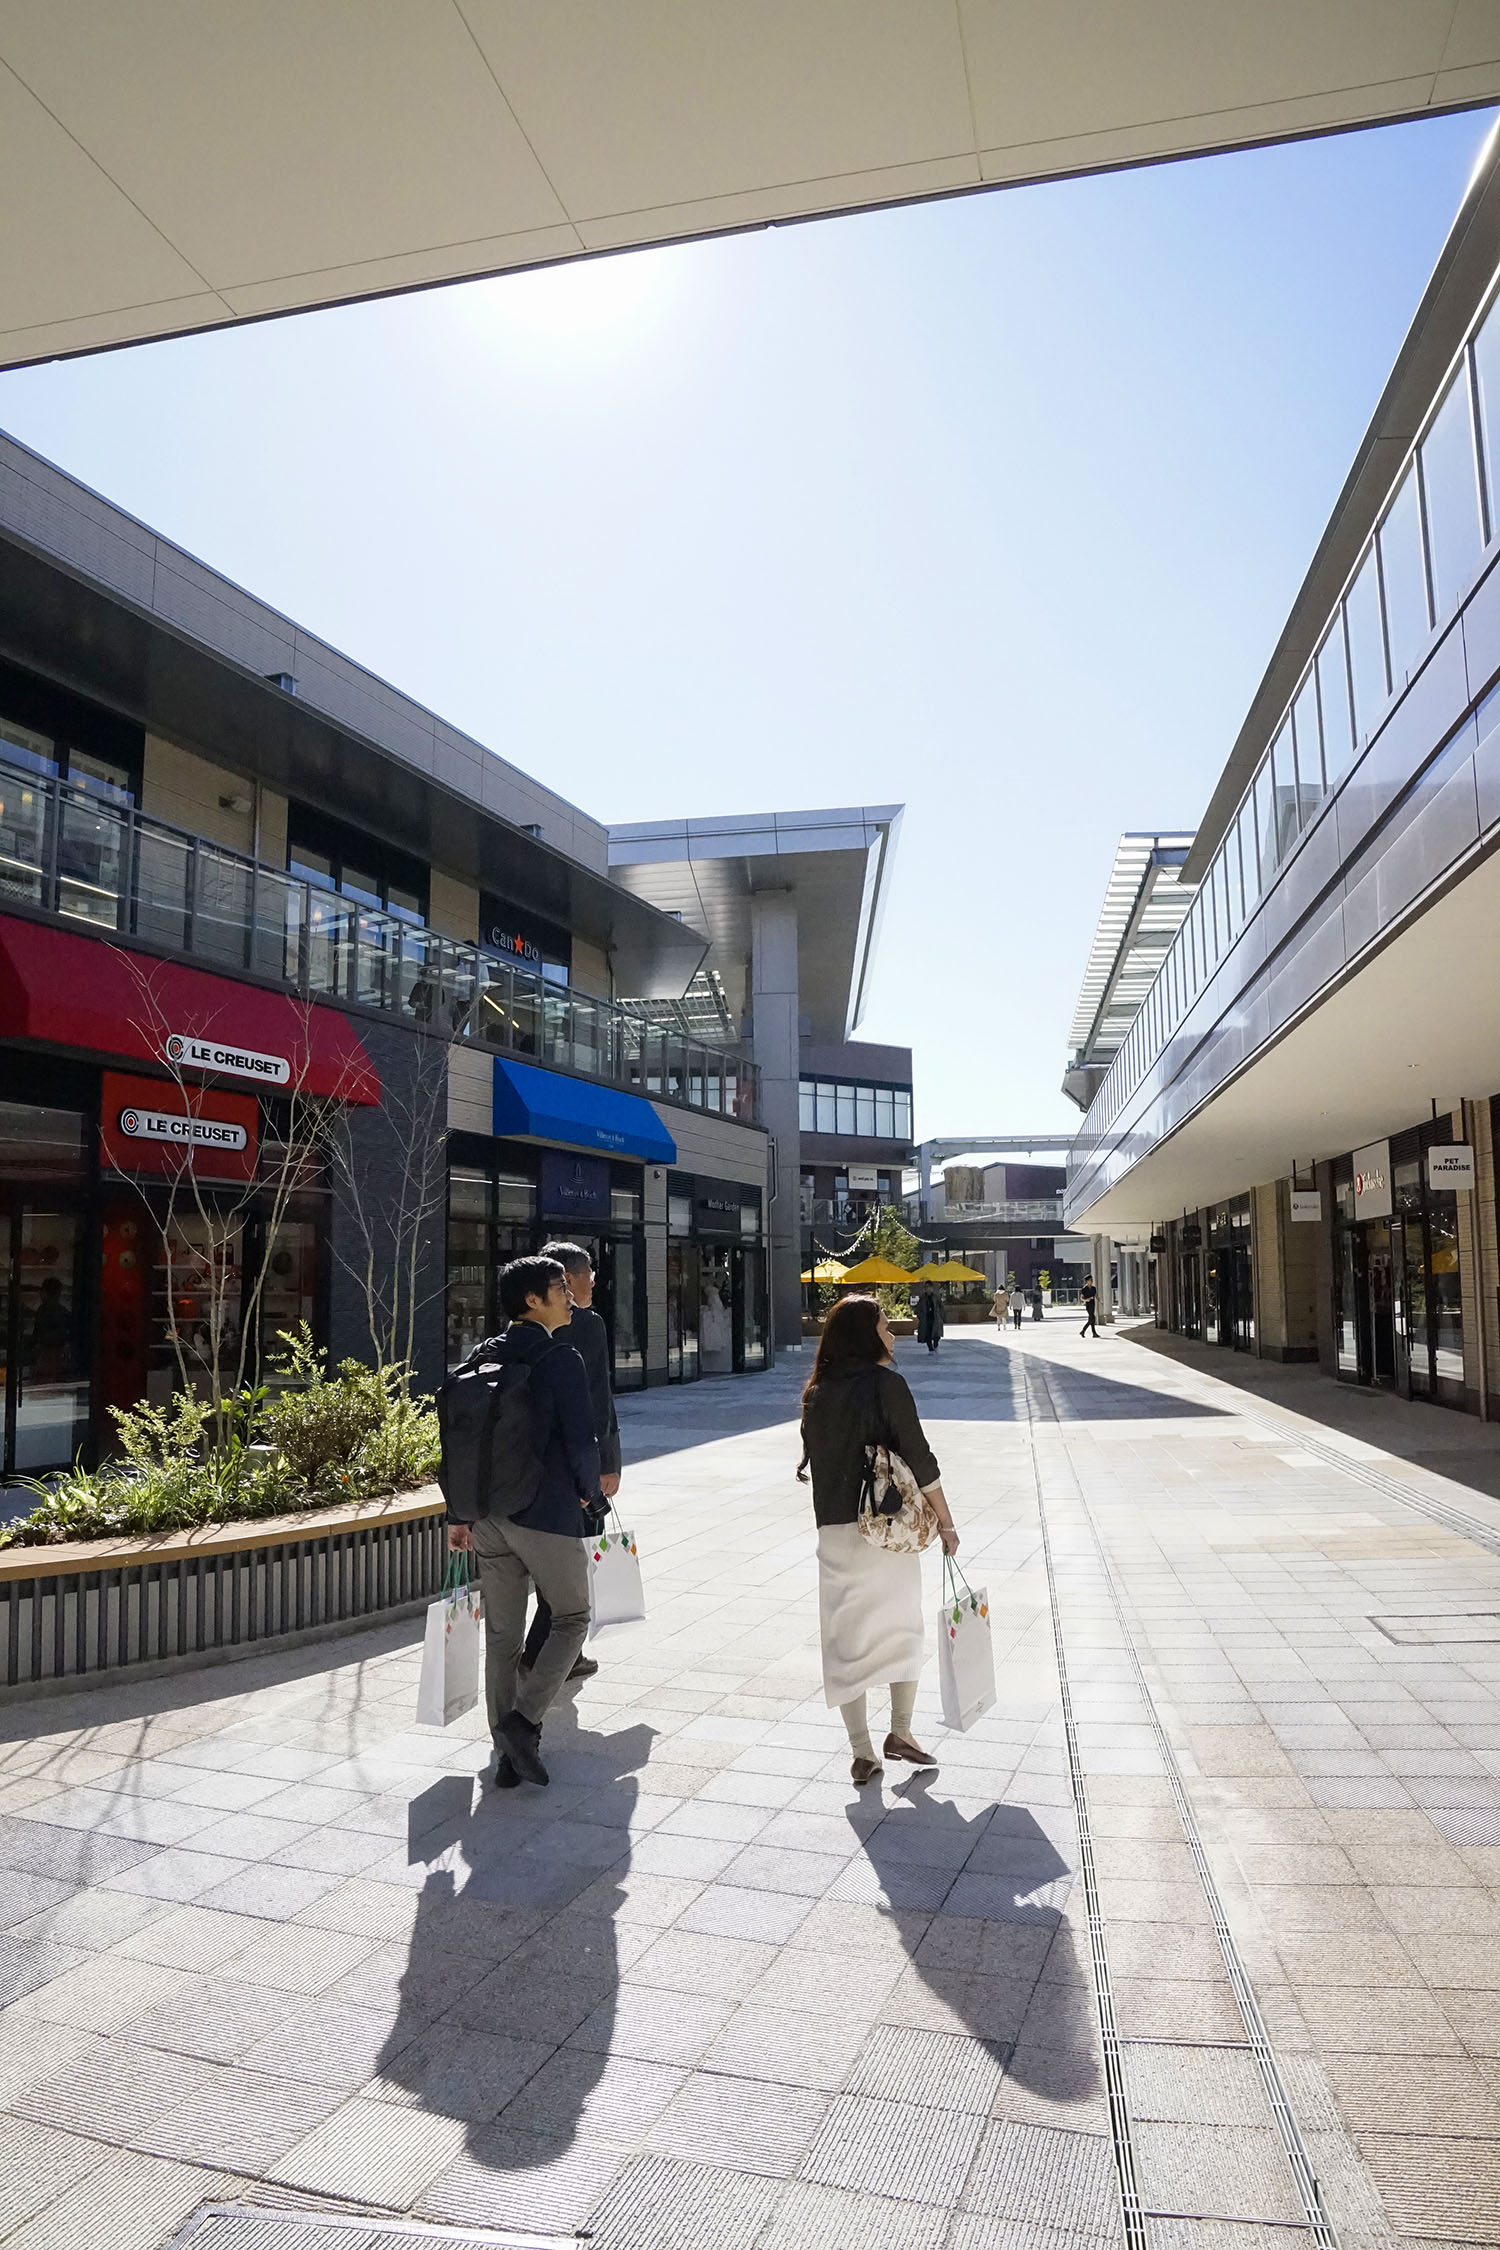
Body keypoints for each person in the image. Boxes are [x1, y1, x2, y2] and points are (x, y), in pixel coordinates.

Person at [447, 1255, 602, 1790]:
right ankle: (523, 1724)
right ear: (533, 1301)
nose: (569, 1295)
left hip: (488, 1516)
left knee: (503, 1638)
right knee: (572, 1617)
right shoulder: (560, 1357)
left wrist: (459, 1513)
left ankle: (506, 1759)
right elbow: (582, 1439)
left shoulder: (483, 1355)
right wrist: (591, 1496)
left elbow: (465, 1440)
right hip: (545, 1512)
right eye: (560, 1288)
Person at [797, 1295, 959, 1785]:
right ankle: (902, 1733)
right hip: (885, 1532)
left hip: (835, 1532)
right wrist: (946, 1523)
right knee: (900, 1627)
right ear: (866, 1335)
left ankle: (862, 1752)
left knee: (845, 1638)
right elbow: (920, 1457)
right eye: (885, 1327)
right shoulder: (887, 1385)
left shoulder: (816, 1393)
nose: (891, 1336)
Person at [519, 1239, 621, 1687]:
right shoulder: (588, 1326)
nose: (593, 1282)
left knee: (558, 1561)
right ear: (566, 1281)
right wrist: (607, 1465)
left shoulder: (520, 1326)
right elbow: (599, 1401)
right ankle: (545, 1655)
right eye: (587, 1274)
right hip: (577, 1466)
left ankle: (559, 1652)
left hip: (532, 1469)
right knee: (575, 1562)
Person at [915, 1281, 944, 1353]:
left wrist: (940, 1315)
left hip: (935, 1318)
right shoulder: (923, 1298)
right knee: (927, 1334)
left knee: (937, 1334)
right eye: (927, 1287)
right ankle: (930, 1348)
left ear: (932, 1288)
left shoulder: (936, 1297)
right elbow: (918, 1308)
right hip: (926, 1319)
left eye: (929, 1287)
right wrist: (920, 1316)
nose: (928, 1289)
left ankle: (936, 1345)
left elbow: (941, 1306)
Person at [1080, 1274, 1100, 1338]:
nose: (1092, 1281)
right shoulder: (1084, 1289)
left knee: (1091, 1319)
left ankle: (1088, 1332)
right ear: (1087, 1281)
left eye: (1092, 1280)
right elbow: (1081, 1298)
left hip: (1093, 1304)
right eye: (1090, 1280)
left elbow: (1096, 1295)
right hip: (1088, 1305)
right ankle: (1084, 1331)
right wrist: (1086, 1300)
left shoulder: (1093, 1288)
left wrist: (1100, 1300)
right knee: (1092, 1318)